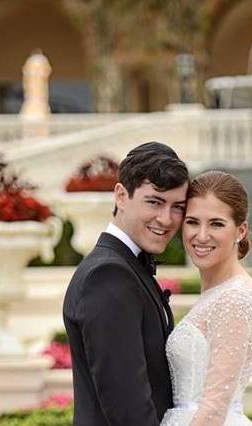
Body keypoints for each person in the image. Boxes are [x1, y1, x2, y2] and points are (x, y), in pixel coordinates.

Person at [63, 142, 189, 426]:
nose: (166, 219)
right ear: (121, 195)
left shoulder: (124, 267)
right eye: (154, 202)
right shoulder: (108, 275)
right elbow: (129, 411)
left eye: (177, 207)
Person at [161, 170, 252, 426]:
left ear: (241, 230)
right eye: (193, 222)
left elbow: (214, 409)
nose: (201, 235)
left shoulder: (234, 299)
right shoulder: (219, 292)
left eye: (216, 224)